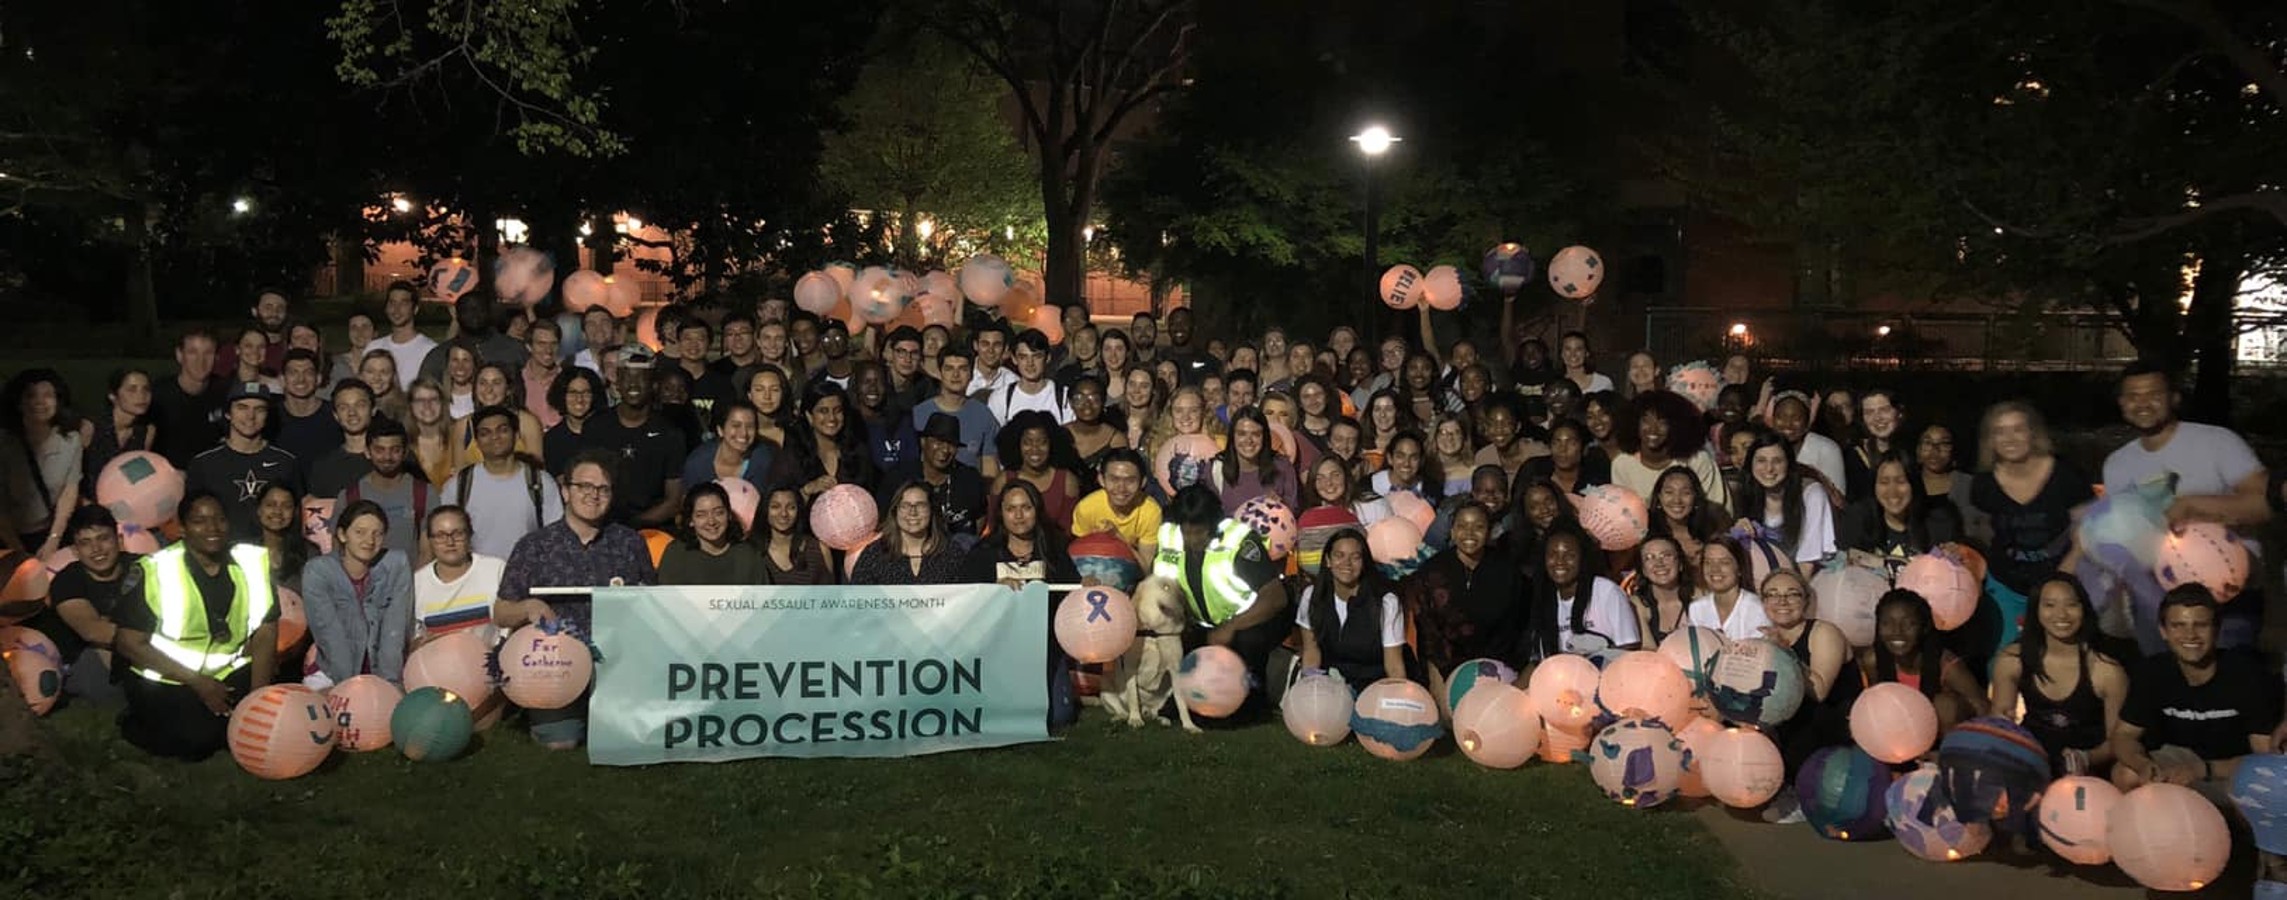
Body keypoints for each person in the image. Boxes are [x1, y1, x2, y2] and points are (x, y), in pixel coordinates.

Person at [2103, 361, 2271, 651]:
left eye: (2153, 394)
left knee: (2230, 677)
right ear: (2122, 403)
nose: (2143, 404)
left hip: (2227, 595)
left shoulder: (2217, 442)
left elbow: (2264, 504)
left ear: (2174, 398)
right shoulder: (2117, 464)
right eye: (2133, 396)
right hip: (2156, 599)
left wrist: (2190, 507)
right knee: (2162, 677)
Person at [496, 448, 658, 749]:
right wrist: (529, 606)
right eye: (584, 486)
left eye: (603, 489)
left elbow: (651, 604)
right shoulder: (534, 546)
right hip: (556, 665)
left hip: (616, 663)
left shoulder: (629, 542)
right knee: (561, 743)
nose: (593, 495)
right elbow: (501, 612)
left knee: (628, 738)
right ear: (565, 491)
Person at [111, 490, 279, 760]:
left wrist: (256, 701)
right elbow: (128, 642)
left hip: (227, 672)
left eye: (219, 519)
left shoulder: (251, 563)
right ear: (182, 528)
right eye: (199, 521)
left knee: (254, 727)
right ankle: (135, 723)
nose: (212, 528)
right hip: (167, 677)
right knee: (197, 743)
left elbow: (266, 631)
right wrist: (199, 683)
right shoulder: (156, 570)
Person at [2111, 585, 2281, 793]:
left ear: (2216, 629)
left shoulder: (2248, 674)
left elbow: (2266, 758)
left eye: (2201, 625)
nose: (2190, 635)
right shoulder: (2153, 671)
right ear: (2163, 631)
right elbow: (2124, 735)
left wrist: (2205, 769)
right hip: (2178, 765)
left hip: (2231, 770)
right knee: (2126, 773)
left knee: (2264, 787)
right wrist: (2142, 764)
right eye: (2178, 625)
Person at [1971, 400, 2093, 666]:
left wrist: (2064, 575)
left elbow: (2089, 529)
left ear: (2033, 433)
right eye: (2000, 431)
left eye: (2018, 429)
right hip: (2006, 584)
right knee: (2003, 660)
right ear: (1990, 440)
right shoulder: (1983, 484)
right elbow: (1981, 534)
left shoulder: (2066, 475)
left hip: (2063, 579)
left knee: (2063, 659)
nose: (2010, 438)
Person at [1152, 485, 1291, 705]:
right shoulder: (1168, 537)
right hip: (1199, 625)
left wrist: (1231, 627)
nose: (1192, 540)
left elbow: (1275, 597)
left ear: (1213, 524)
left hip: (1247, 624)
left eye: (1199, 533)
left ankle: (1254, 694)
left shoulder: (1239, 541)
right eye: (1187, 532)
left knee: (1248, 641)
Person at [1989, 574, 2128, 775]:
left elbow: (2118, 742)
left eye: (2071, 605)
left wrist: (2085, 758)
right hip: (2031, 761)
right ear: (2036, 610)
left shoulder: (2107, 672)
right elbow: (2000, 720)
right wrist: (2004, 729)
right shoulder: (2013, 659)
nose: (2061, 614)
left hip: (2089, 770)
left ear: (2084, 609)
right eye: (2050, 605)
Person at [1761, 568, 1855, 824]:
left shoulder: (1824, 633)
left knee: (1804, 714)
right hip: (1797, 719)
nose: (1782, 601)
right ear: (1764, 602)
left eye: (1792, 594)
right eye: (1773, 594)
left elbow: (1819, 691)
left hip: (1834, 721)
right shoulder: (1767, 639)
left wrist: (1786, 651)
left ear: (1806, 601)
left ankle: (1803, 791)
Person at [1404, 502, 1525, 697]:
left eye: (1478, 526)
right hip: (1445, 671)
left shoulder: (1507, 571)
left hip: (1496, 670)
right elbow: (1428, 633)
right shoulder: (1432, 571)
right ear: (1452, 531)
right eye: (1462, 526)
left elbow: (1516, 627)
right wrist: (1438, 680)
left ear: (1489, 532)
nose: (1469, 533)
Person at [299, 499, 414, 689]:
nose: (369, 540)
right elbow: (329, 635)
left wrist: (389, 685)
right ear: (342, 535)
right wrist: (350, 689)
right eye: (360, 532)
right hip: (332, 674)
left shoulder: (396, 564)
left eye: (377, 534)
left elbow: (395, 630)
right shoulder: (318, 571)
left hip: (383, 673)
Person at [40, 506, 140, 704]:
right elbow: (93, 631)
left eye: (103, 538)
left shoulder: (144, 566)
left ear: (119, 540)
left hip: (140, 646)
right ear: (76, 551)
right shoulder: (67, 580)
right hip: (88, 660)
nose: (96, 549)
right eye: (85, 543)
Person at [440, 405, 563, 560]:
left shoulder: (541, 482)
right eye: (485, 433)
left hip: (528, 570)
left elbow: (555, 537)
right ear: (476, 442)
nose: (495, 437)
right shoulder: (458, 486)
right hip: (476, 572)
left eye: (502, 430)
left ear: (516, 435)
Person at [184, 381, 298, 544]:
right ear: (228, 413)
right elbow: (191, 517)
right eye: (242, 408)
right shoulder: (204, 463)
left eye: (259, 409)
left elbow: (296, 516)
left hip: (273, 552)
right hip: (221, 552)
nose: (250, 416)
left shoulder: (286, 462)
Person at [1856, 588, 1985, 730]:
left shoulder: (1947, 666)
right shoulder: (1873, 660)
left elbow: (1981, 707)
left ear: (1924, 628)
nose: (1897, 632)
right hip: (1901, 731)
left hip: (1943, 735)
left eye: (1908, 624)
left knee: (1945, 705)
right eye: (1887, 623)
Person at [1298, 527, 1412, 686]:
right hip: (1331, 685)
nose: (1347, 563)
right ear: (1328, 561)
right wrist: (1309, 688)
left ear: (1364, 563)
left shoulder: (1386, 602)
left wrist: (1396, 696)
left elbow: (1394, 666)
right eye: (1339, 556)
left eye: (1355, 557)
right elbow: (1311, 651)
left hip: (1375, 685)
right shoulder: (1312, 596)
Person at [586, 348, 687, 528]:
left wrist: (633, 527)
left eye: (641, 378)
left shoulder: (670, 433)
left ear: (654, 384)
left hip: (652, 529)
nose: (633, 385)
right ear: (617, 383)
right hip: (602, 525)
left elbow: (673, 500)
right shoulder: (595, 427)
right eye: (627, 378)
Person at [1523, 521, 1641, 659]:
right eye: (1553, 555)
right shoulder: (1544, 599)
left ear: (1583, 558)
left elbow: (1630, 648)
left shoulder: (1606, 591)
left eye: (1570, 555)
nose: (1560, 561)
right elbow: (1540, 658)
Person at [1838, 450, 1961, 573]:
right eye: (1884, 482)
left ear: (1914, 484)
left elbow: (1954, 572)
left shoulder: (1939, 526)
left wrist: (1953, 557)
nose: (1892, 491)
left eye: (1901, 482)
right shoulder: (1858, 521)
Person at [4, 369, 84, 555]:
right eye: (30, 395)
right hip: (8, 534)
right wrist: (17, 550)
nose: (39, 402)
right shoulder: (6, 445)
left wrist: (53, 539)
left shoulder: (70, 441)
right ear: (19, 402)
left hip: (47, 531)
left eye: (48, 395)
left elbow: (69, 492)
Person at [1609, 389, 1730, 512]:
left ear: (1676, 426)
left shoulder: (1697, 460)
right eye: (1646, 420)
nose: (1653, 429)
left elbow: (1716, 510)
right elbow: (1622, 513)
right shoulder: (1622, 464)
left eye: (1662, 422)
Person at [878, 412, 988, 542]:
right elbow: (884, 522)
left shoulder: (969, 479)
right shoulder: (899, 477)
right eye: (938, 442)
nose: (945, 449)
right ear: (923, 442)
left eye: (951, 444)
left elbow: (980, 518)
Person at [335, 415, 431, 563]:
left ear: (405, 452)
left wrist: (414, 578)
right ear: (367, 452)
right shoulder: (350, 496)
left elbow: (428, 552)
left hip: (410, 576)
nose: (387, 457)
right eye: (379, 450)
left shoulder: (424, 493)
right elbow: (338, 550)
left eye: (395, 450)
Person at [1736, 430, 1837, 567]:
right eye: (1761, 461)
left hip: (1809, 575)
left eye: (1777, 461)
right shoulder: (1747, 493)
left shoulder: (1812, 493)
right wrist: (1741, 534)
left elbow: (1808, 561)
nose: (1769, 469)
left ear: (1789, 464)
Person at [412, 505, 505, 642]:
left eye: (457, 534)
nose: (450, 542)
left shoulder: (496, 569)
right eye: (440, 536)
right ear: (430, 540)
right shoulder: (417, 583)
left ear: (469, 535)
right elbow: (414, 638)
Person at [964, 480, 1079, 587]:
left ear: (1037, 510)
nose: (1019, 515)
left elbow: (1072, 592)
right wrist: (995, 590)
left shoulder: (1057, 550)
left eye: (1026, 508)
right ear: (1001, 513)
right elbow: (967, 596)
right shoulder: (981, 555)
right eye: (1010, 509)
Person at [849, 481, 967, 584]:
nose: (913, 512)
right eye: (905, 506)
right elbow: (858, 597)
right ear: (895, 511)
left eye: (920, 505)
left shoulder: (951, 553)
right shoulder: (874, 554)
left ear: (931, 511)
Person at [909, 346, 1000, 478]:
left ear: (971, 374)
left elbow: (989, 466)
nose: (956, 375)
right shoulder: (918, 414)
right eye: (949, 368)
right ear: (940, 373)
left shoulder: (983, 415)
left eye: (962, 369)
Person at [657, 482, 769, 585]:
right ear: (691, 520)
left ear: (729, 515)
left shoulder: (748, 554)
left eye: (718, 513)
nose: (711, 521)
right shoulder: (676, 554)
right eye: (701, 515)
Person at [990, 410, 1083, 532]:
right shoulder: (1003, 481)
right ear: (1016, 444)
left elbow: (1068, 531)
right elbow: (995, 527)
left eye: (1042, 443)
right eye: (1027, 443)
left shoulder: (1067, 481)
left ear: (1052, 444)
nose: (1035, 449)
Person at [151, 329, 226, 469]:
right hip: (166, 474)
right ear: (179, 355)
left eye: (208, 353)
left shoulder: (225, 391)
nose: (200, 361)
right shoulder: (158, 396)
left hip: (211, 473)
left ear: (217, 357)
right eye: (192, 352)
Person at [1072, 448, 1162, 561]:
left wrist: (1117, 538)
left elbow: (1145, 566)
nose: (1121, 488)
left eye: (1130, 481)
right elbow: (1078, 559)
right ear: (1101, 480)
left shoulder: (1150, 511)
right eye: (1114, 480)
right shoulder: (1087, 508)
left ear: (1142, 482)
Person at [451, 362, 546, 470]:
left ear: (508, 389)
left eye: (496, 383)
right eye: (483, 383)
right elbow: (459, 473)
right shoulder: (463, 426)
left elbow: (536, 470)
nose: (489, 389)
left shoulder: (527, 423)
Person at [1209, 407, 1298, 514]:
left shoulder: (1282, 466)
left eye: (1256, 434)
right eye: (1242, 434)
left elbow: (1293, 513)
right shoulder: (1215, 468)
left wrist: (1280, 507)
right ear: (1232, 436)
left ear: (1265, 437)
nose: (1249, 440)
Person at [82, 367, 157, 491]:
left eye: (146, 389)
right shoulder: (90, 426)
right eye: (132, 390)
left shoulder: (146, 431)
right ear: (113, 395)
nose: (141, 396)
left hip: (123, 498)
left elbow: (138, 478)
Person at [1916, 423, 1988, 545]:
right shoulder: (1907, 484)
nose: (1935, 449)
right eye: (1928, 443)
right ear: (1918, 450)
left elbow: (1985, 532)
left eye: (1944, 443)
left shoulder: (1971, 485)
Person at [1690, 536, 1772, 641]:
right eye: (1708, 562)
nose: (1715, 569)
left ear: (1740, 568)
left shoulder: (1757, 609)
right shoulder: (1696, 609)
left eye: (1724, 562)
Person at [1768, 391, 1847, 500]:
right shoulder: (1764, 448)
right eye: (1781, 417)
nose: (1788, 424)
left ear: (1807, 422)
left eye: (1796, 418)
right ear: (1772, 420)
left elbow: (1839, 500)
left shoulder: (1827, 449)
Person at [272, 349, 339, 477]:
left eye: (308, 373)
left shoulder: (336, 415)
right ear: (282, 380)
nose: (301, 379)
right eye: (293, 373)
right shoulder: (271, 417)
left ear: (318, 379)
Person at [756, 485, 836, 585]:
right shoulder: (753, 552)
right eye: (775, 507)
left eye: (791, 507)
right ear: (765, 510)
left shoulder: (819, 549)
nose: (784, 514)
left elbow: (831, 593)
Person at [987, 329, 1070, 423]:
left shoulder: (1064, 397)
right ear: (1014, 359)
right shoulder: (1000, 398)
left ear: (1048, 358)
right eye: (1023, 357)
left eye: (1037, 356)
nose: (1030, 363)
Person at [1624, 534, 1693, 646]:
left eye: (1666, 555)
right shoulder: (1638, 604)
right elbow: (1648, 650)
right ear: (1643, 570)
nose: (1659, 563)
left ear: (1680, 564)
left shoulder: (1699, 597)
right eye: (1649, 557)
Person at [366, 282, 437, 391]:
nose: (396, 309)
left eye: (403, 303)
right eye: (392, 303)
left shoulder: (430, 350)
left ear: (415, 309)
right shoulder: (373, 347)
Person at [542, 366, 610, 476]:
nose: (579, 399)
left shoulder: (609, 432)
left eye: (586, 392)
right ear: (562, 395)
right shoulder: (552, 439)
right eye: (572, 392)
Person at [1844, 389, 1910, 500]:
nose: (1878, 418)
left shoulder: (1916, 451)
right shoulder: (1852, 457)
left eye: (1884, 410)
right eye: (1869, 412)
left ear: (1899, 413)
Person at [402, 378, 457, 487]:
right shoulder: (402, 443)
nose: (427, 405)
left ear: (442, 404)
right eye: (420, 400)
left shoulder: (460, 436)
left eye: (434, 399)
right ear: (410, 405)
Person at [521, 318, 566, 429]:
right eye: (541, 344)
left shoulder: (567, 380)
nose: (548, 350)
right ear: (528, 346)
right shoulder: (518, 380)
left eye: (553, 344)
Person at [359, 349, 410, 425]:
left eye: (384, 372)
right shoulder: (349, 405)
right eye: (370, 372)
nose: (377, 378)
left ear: (393, 376)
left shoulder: (407, 407)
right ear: (361, 375)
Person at [333, 312, 378, 386]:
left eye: (365, 327)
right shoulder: (336, 363)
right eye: (354, 328)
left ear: (375, 333)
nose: (359, 332)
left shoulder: (384, 363)